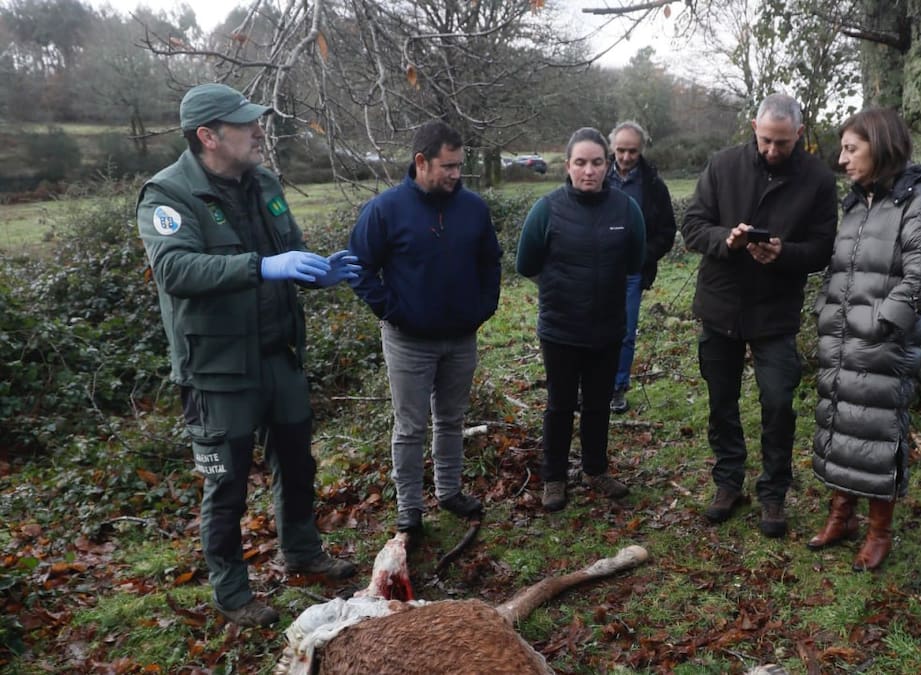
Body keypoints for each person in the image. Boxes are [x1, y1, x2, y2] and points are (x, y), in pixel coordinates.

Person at [136, 83, 361, 627]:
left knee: (298, 463)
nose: (259, 130)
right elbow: (175, 270)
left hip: (277, 353)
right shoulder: (168, 194)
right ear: (208, 136)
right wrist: (261, 266)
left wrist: (314, 273)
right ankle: (232, 593)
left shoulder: (263, 182)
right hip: (217, 370)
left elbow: (288, 250)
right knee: (227, 484)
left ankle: (302, 552)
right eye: (244, 123)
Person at [680, 93, 838, 538]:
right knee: (721, 400)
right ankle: (728, 482)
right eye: (766, 140)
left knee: (779, 402)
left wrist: (785, 253)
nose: (771, 150)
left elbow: (823, 247)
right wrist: (726, 241)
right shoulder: (723, 165)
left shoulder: (818, 179)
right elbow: (693, 226)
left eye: (782, 143)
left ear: (799, 134)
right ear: (754, 127)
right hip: (721, 304)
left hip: (775, 310)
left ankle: (774, 492)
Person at [348, 120, 501, 535]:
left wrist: (484, 307)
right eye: (448, 166)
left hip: (461, 337)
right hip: (408, 341)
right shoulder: (385, 210)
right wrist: (393, 310)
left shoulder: (473, 209)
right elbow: (358, 268)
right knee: (410, 427)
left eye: (460, 165)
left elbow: (491, 262)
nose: (456, 174)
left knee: (451, 419)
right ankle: (410, 509)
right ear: (421, 161)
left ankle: (449, 492)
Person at [807, 108, 921, 570]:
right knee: (840, 424)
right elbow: (840, 269)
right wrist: (826, 310)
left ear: (880, 145)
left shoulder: (918, 200)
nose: (842, 159)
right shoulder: (855, 203)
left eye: (852, 149)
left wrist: (882, 324)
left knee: (878, 432)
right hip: (841, 338)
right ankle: (841, 515)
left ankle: (879, 531)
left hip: (883, 344)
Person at [516, 127, 645, 512]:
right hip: (561, 329)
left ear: (608, 165)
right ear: (568, 166)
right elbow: (525, 263)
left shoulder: (627, 210)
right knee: (559, 405)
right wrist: (561, 288)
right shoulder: (547, 209)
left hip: (608, 327)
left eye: (597, 162)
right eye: (580, 163)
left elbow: (634, 262)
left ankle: (595, 469)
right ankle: (554, 477)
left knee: (598, 404)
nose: (589, 171)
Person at [606, 121, 677, 414]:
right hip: (593, 268)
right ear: (612, 147)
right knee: (588, 327)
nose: (625, 157)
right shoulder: (595, 175)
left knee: (625, 331)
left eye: (632, 151)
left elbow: (667, 231)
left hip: (631, 273)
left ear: (642, 149)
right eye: (621, 150)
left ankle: (617, 387)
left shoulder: (654, 186)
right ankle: (590, 385)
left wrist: (643, 256)